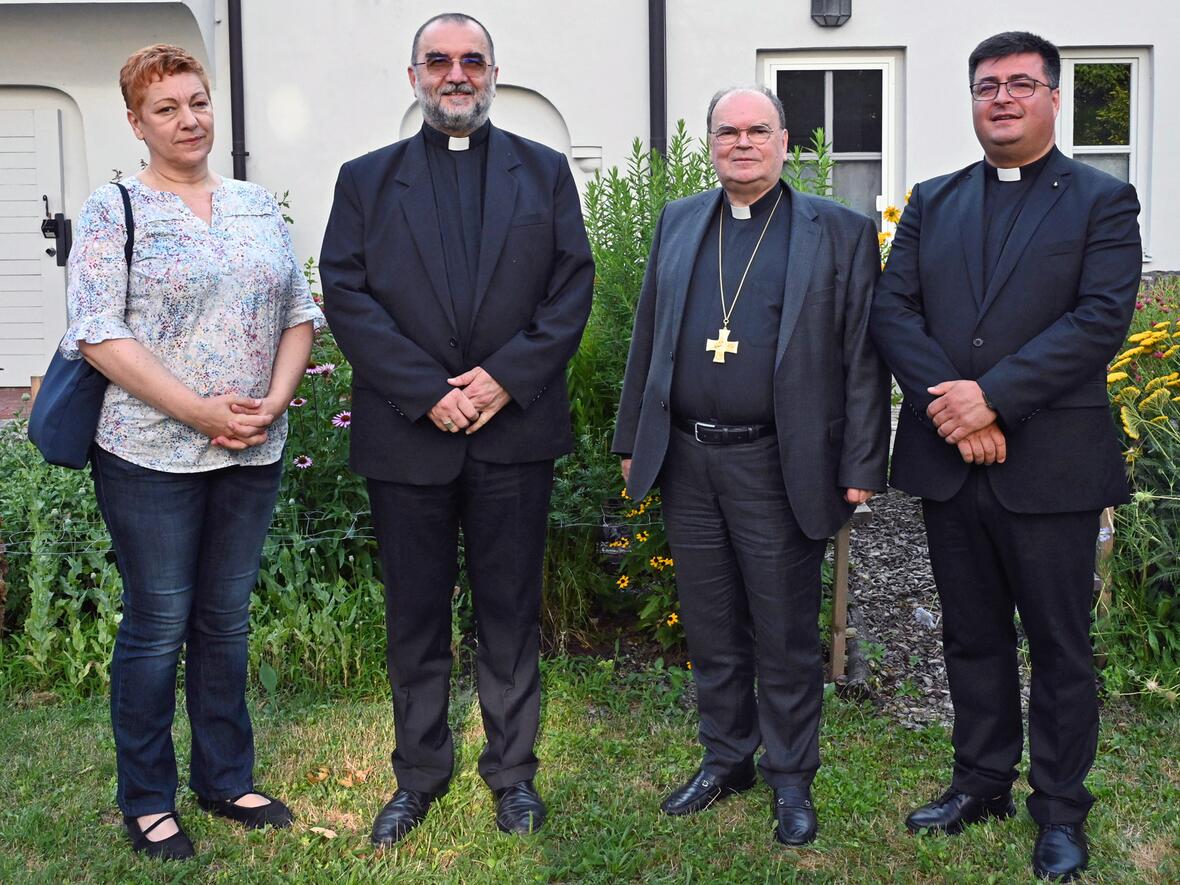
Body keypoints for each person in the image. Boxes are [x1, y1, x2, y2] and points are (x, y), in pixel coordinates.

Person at [870, 31, 1142, 881]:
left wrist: (991, 398)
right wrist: (956, 411)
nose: (1003, 98)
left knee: (1060, 645)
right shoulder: (934, 200)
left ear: (1054, 98)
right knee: (972, 635)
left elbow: (1100, 319)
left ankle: (1059, 808)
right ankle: (981, 780)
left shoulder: (1102, 200)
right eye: (988, 85)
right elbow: (893, 311)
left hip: (1052, 465)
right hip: (952, 462)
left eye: (1021, 84)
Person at [319, 12, 593, 846]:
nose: (456, 74)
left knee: (509, 613)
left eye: (472, 60)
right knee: (415, 615)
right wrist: (424, 391)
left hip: (514, 433)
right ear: (414, 77)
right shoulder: (366, 180)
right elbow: (347, 294)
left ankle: (513, 773)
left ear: (493, 74)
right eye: (438, 60)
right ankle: (419, 774)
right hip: (409, 435)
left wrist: (505, 377)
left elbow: (571, 288)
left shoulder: (543, 172)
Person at [64, 44, 322, 859]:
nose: (188, 120)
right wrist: (199, 411)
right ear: (136, 122)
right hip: (148, 455)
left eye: (198, 101)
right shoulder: (114, 209)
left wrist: (273, 401)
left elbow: (299, 312)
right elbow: (97, 332)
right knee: (158, 623)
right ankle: (147, 797)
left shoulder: (254, 205)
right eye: (166, 108)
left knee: (225, 620)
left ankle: (225, 777)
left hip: (251, 451)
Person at [612, 85, 889, 846]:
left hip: (778, 460)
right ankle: (726, 758)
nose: (742, 143)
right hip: (689, 457)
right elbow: (648, 335)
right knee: (710, 624)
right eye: (727, 131)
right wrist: (633, 436)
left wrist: (862, 461)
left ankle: (791, 775)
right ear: (710, 143)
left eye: (757, 130)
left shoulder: (838, 231)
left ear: (785, 141)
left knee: (785, 630)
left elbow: (864, 357)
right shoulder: (679, 221)